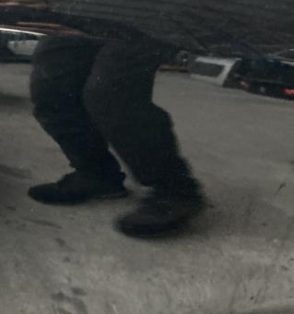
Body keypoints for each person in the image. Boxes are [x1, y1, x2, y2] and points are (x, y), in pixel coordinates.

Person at [26, 34, 204, 237]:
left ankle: (175, 190)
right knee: (51, 88)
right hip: (82, 19)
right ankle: (97, 174)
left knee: (111, 93)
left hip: (141, 22)